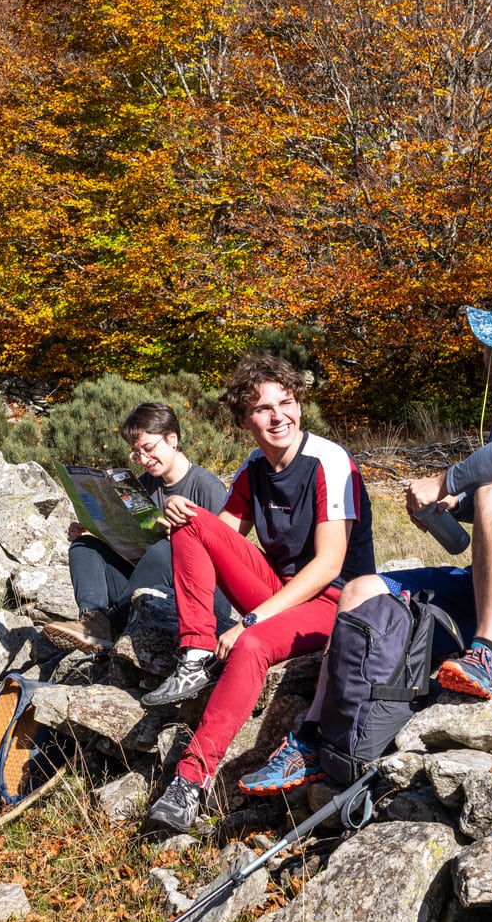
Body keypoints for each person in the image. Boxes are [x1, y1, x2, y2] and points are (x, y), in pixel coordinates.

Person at [238, 289, 492, 798]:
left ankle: (488, 656)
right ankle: (315, 739)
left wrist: (449, 482)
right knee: (363, 589)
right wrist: (449, 511)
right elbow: (472, 537)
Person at [144, 355, 375, 833]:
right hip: (283, 592)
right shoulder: (253, 466)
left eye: (286, 403)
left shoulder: (329, 462)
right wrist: (174, 520)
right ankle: (194, 655)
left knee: (250, 645)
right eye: (263, 409)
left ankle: (191, 779)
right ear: (245, 420)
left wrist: (253, 620)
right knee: (189, 517)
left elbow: (330, 565)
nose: (278, 417)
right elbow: (216, 536)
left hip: (337, 601)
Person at [42, 401, 228, 654]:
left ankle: (108, 625)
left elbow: (226, 558)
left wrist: (182, 540)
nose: (143, 459)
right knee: (84, 546)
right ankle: (93, 620)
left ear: (172, 439)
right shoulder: (142, 485)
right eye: (136, 452)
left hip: (195, 596)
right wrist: (96, 531)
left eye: (149, 448)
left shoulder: (207, 486)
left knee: (164, 550)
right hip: (143, 586)